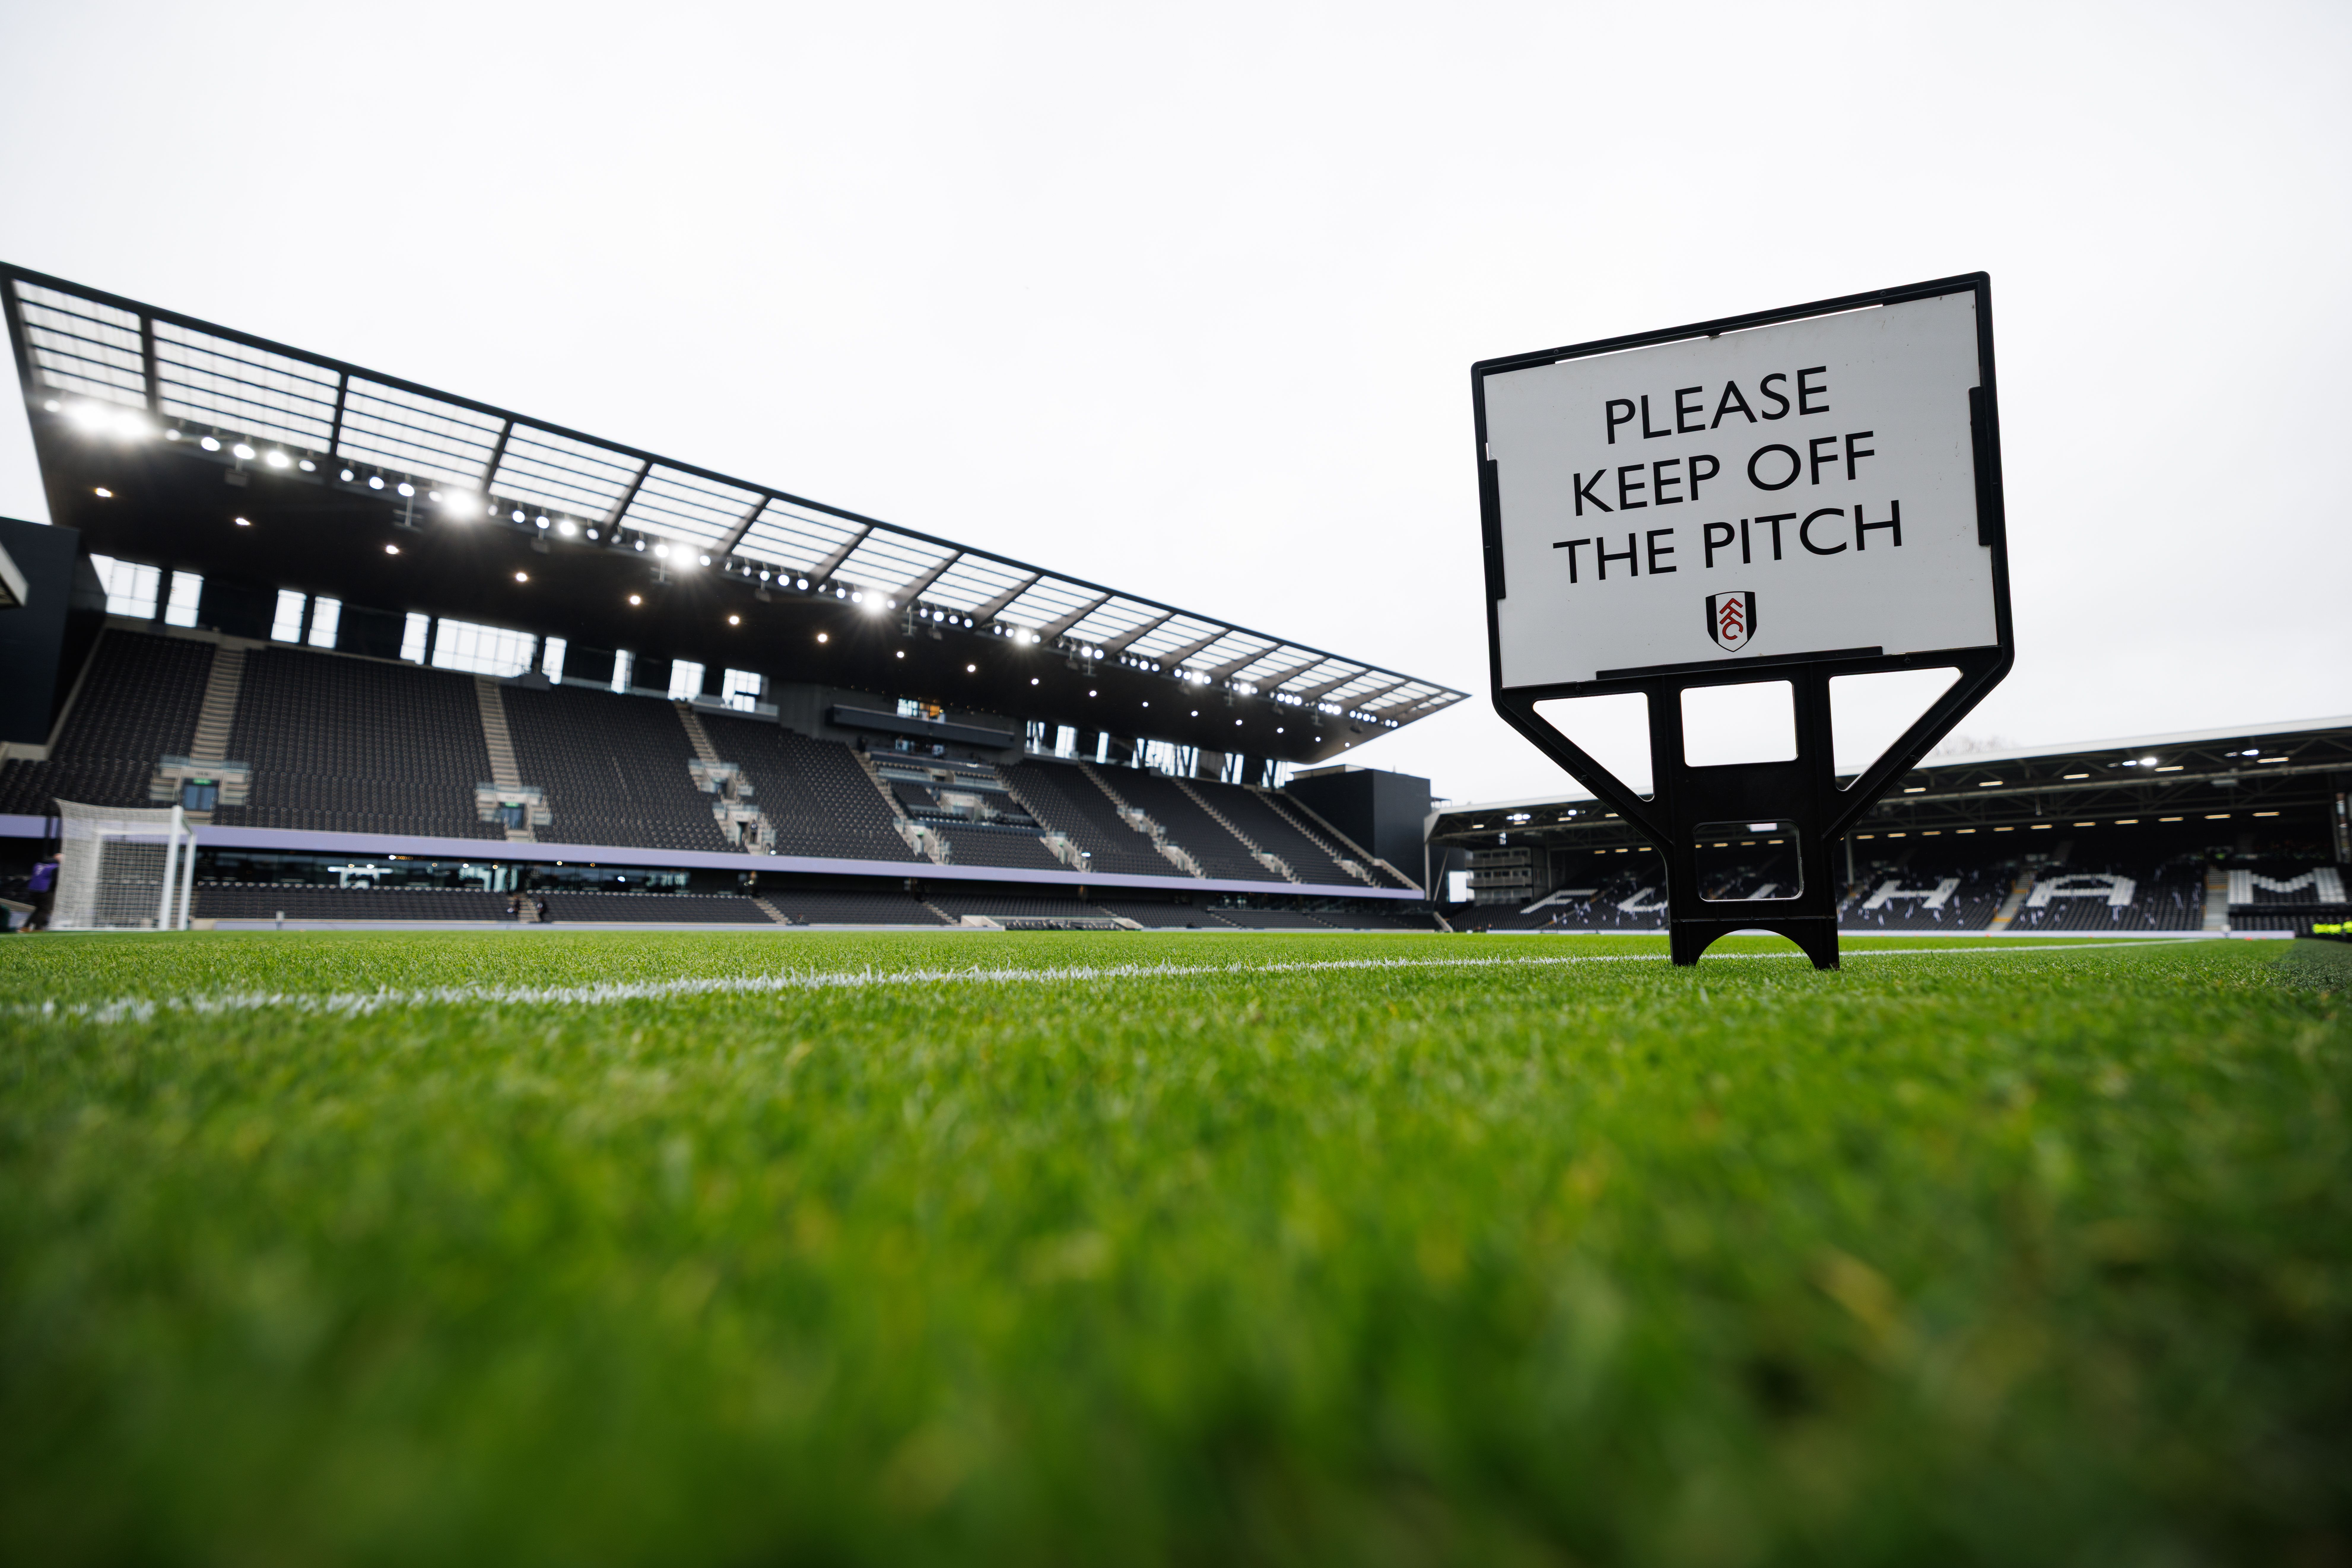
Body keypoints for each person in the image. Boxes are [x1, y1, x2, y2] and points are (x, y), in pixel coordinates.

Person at [24, 854, 58, 932]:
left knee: (39, 909)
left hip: (33, 890)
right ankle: (38, 928)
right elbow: (55, 881)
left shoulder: (38, 866)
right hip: (45, 891)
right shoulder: (55, 868)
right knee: (45, 910)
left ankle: (26, 927)